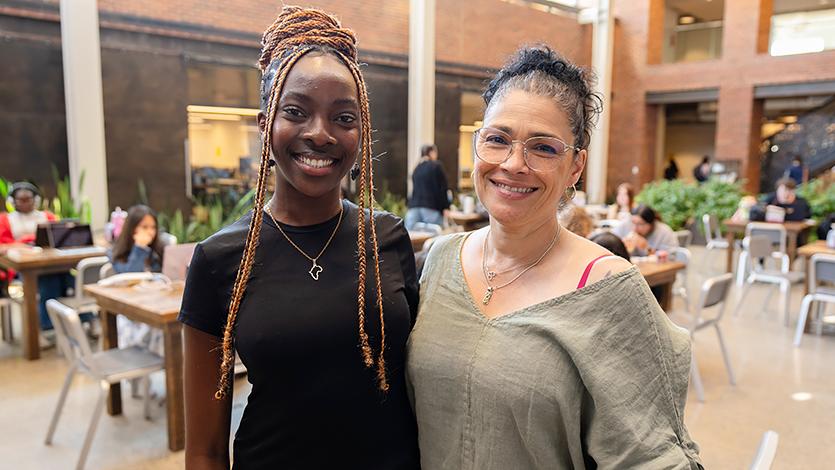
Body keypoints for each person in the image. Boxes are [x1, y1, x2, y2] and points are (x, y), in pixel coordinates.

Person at [407, 46, 701, 469]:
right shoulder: (440, 259)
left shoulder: (607, 288)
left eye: (543, 148)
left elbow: (653, 457)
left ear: (576, 166)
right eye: (497, 139)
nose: (513, 164)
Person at [178, 7, 420, 469]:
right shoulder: (218, 260)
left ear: (361, 130)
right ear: (264, 123)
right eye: (296, 112)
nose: (320, 134)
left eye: (343, 118)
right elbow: (204, 450)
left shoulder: (386, 237)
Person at [0, 182, 72, 339]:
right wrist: (22, 244)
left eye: (29, 199)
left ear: (36, 200)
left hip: (51, 262)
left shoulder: (47, 217)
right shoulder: (5, 220)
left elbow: (58, 237)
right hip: (23, 269)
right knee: (49, 279)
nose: (25, 202)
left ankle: (79, 320)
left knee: (70, 278)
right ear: (13, 201)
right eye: (21, 200)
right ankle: (49, 327)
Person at [109, 205, 165, 355]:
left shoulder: (158, 251)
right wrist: (139, 247)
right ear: (132, 228)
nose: (150, 232)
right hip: (131, 314)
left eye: (153, 227)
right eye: (144, 227)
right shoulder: (118, 254)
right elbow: (128, 275)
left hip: (158, 305)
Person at [404, 144, 450, 231]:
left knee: (413, 238)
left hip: (414, 208)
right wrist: (446, 207)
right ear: (431, 152)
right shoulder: (436, 166)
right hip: (431, 208)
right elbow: (443, 188)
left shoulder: (416, 168)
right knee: (435, 239)